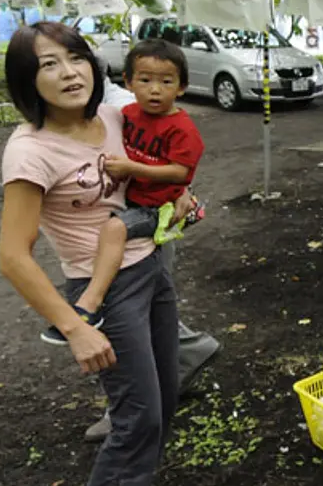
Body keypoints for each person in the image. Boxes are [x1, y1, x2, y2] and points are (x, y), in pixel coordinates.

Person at [0, 21, 197, 486]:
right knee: (135, 414)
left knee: (165, 393)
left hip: (150, 268)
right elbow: (13, 255)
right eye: (48, 64)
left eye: (76, 58)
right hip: (102, 292)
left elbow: (150, 182)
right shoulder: (30, 153)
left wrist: (182, 200)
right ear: (26, 80)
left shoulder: (112, 117)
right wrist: (76, 325)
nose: (69, 73)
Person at [40, 39, 205, 346]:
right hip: (133, 202)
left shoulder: (166, 122)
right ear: (129, 81)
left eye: (165, 82)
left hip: (153, 206)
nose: (154, 89)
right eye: (145, 80)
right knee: (153, 297)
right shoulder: (126, 113)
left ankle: (89, 304)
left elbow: (180, 169)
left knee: (118, 231)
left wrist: (143, 173)